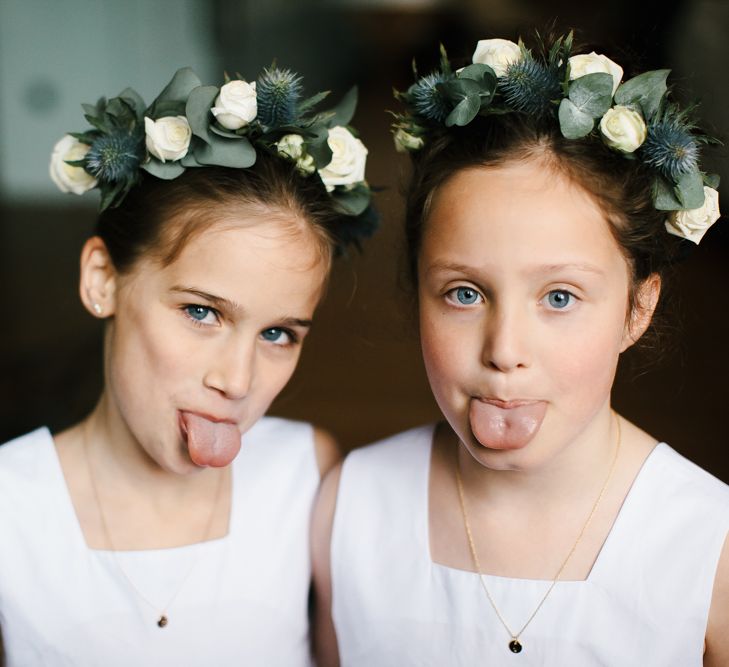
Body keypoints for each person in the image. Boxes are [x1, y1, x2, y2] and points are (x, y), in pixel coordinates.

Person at [312, 32, 728, 665]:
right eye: (464, 294)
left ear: (636, 309)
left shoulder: (709, 545)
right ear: (415, 293)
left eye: (559, 297)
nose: (504, 351)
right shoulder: (351, 509)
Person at [0, 65, 375, 666]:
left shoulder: (306, 477)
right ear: (103, 281)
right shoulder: (11, 508)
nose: (237, 380)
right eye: (202, 312)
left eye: (278, 333)